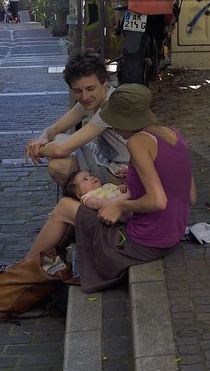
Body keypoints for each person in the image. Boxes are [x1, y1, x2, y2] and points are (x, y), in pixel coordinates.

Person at [27, 84, 195, 293]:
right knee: (76, 211)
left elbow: (158, 201)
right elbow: (191, 196)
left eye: (115, 122)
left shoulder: (137, 142)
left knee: (64, 208)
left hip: (144, 243)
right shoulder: (174, 134)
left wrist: (119, 207)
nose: (114, 128)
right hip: (172, 236)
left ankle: (25, 271)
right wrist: (135, 178)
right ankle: (47, 261)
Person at [26, 53, 130, 179]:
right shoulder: (94, 99)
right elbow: (55, 129)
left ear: (104, 82)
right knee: (58, 139)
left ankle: (85, 195)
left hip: (125, 170)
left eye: (90, 89)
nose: (85, 97)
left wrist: (38, 149)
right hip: (106, 158)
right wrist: (41, 139)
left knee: (58, 165)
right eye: (78, 91)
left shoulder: (110, 105)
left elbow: (61, 150)